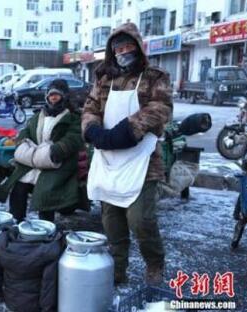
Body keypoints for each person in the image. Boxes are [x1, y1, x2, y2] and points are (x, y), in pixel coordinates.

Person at [82, 22, 173, 285]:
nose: (123, 51)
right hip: (109, 159)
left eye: (128, 45)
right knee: (111, 220)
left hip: (142, 161)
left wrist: (128, 130)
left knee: (140, 219)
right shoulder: (104, 78)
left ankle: (154, 264)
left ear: (138, 46)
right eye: (118, 47)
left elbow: (161, 108)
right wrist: (94, 131)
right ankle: (117, 269)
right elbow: (89, 108)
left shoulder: (155, 77)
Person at [0, 79, 83, 223]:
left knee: (45, 192)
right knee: (18, 187)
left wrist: (52, 153)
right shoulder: (38, 116)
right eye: (50, 95)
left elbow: (73, 139)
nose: (53, 98)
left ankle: (45, 227)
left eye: (57, 95)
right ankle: (16, 222)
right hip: (34, 162)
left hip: (58, 164)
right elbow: (25, 133)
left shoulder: (73, 118)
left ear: (64, 97)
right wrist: (24, 147)